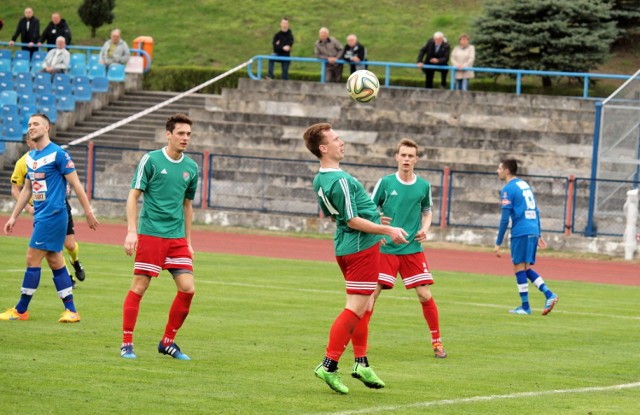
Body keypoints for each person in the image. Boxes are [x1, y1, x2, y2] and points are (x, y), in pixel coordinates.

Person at [303, 122, 409, 394]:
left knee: (366, 304)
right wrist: (386, 228)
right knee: (354, 307)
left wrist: (375, 219)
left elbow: (345, 215)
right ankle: (328, 366)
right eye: (336, 139)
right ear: (323, 148)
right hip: (360, 248)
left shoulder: (321, 177)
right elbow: (351, 219)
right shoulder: (339, 179)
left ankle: (361, 362)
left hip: (348, 245)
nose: (342, 142)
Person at [1, 113, 99, 322]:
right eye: (29, 124)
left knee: (31, 258)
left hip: (53, 215)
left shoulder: (58, 154)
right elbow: (26, 189)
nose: (31, 127)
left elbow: (77, 184)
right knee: (55, 261)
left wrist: (88, 212)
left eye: (35, 124)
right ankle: (71, 311)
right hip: (42, 216)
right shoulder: (30, 158)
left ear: (47, 128)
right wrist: (13, 217)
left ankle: (21, 310)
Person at [120, 114, 199, 360]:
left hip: (176, 238)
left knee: (188, 289)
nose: (185, 138)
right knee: (140, 287)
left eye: (188, 134)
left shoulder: (192, 168)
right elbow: (133, 196)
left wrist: (188, 241)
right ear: (168, 134)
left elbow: (187, 206)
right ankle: (126, 344)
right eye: (180, 133)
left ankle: (167, 342)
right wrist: (132, 231)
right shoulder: (151, 160)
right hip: (151, 233)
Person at [371, 139, 447, 358]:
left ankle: (437, 342)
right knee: (371, 296)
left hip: (412, 248)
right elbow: (369, 209)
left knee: (424, 294)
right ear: (396, 157)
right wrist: (378, 231)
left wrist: (425, 228)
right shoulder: (385, 183)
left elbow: (427, 211)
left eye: (410, 156)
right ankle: (359, 340)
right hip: (386, 249)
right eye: (403, 155)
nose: (406, 159)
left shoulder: (423, 186)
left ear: (416, 159)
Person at [10, 136, 86, 287]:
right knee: (50, 248)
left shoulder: (54, 155)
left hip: (60, 207)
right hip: (41, 212)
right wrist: (27, 208)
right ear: (28, 142)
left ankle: (75, 261)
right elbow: (17, 189)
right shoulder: (23, 162)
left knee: (69, 245)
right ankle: (68, 280)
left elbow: (69, 179)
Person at [494, 159, 559, 316]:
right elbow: (536, 210)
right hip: (532, 229)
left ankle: (525, 306)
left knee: (518, 267)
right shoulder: (524, 185)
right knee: (525, 268)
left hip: (521, 230)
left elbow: (504, 218)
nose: (497, 171)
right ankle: (549, 295)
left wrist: (498, 242)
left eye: (499, 168)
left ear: (507, 170)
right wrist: (539, 233)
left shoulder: (508, 189)